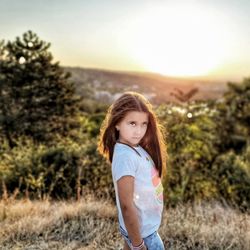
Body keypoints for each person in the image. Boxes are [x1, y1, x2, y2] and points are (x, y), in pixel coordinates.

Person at [98, 91, 167, 250]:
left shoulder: (134, 148)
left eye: (144, 124)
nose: (139, 131)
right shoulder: (125, 157)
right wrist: (138, 244)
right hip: (144, 235)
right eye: (132, 123)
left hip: (140, 229)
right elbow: (126, 205)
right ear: (117, 123)